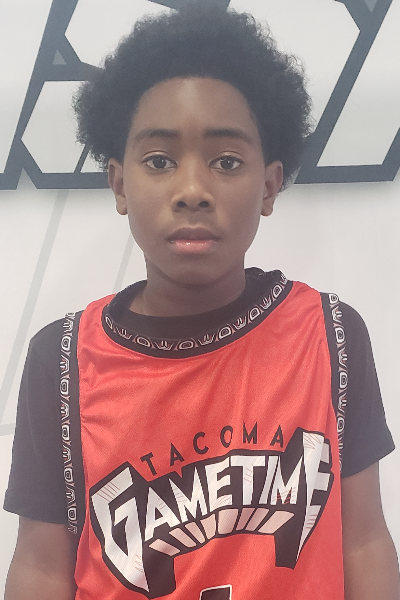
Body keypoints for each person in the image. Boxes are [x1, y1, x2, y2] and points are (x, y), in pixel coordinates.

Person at [3, 4, 399, 600]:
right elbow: (40, 566)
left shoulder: (330, 334)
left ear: (269, 187)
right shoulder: (62, 360)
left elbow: (363, 540)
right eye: (160, 161)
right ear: (119, 183)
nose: (192, 191)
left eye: (226, 162)